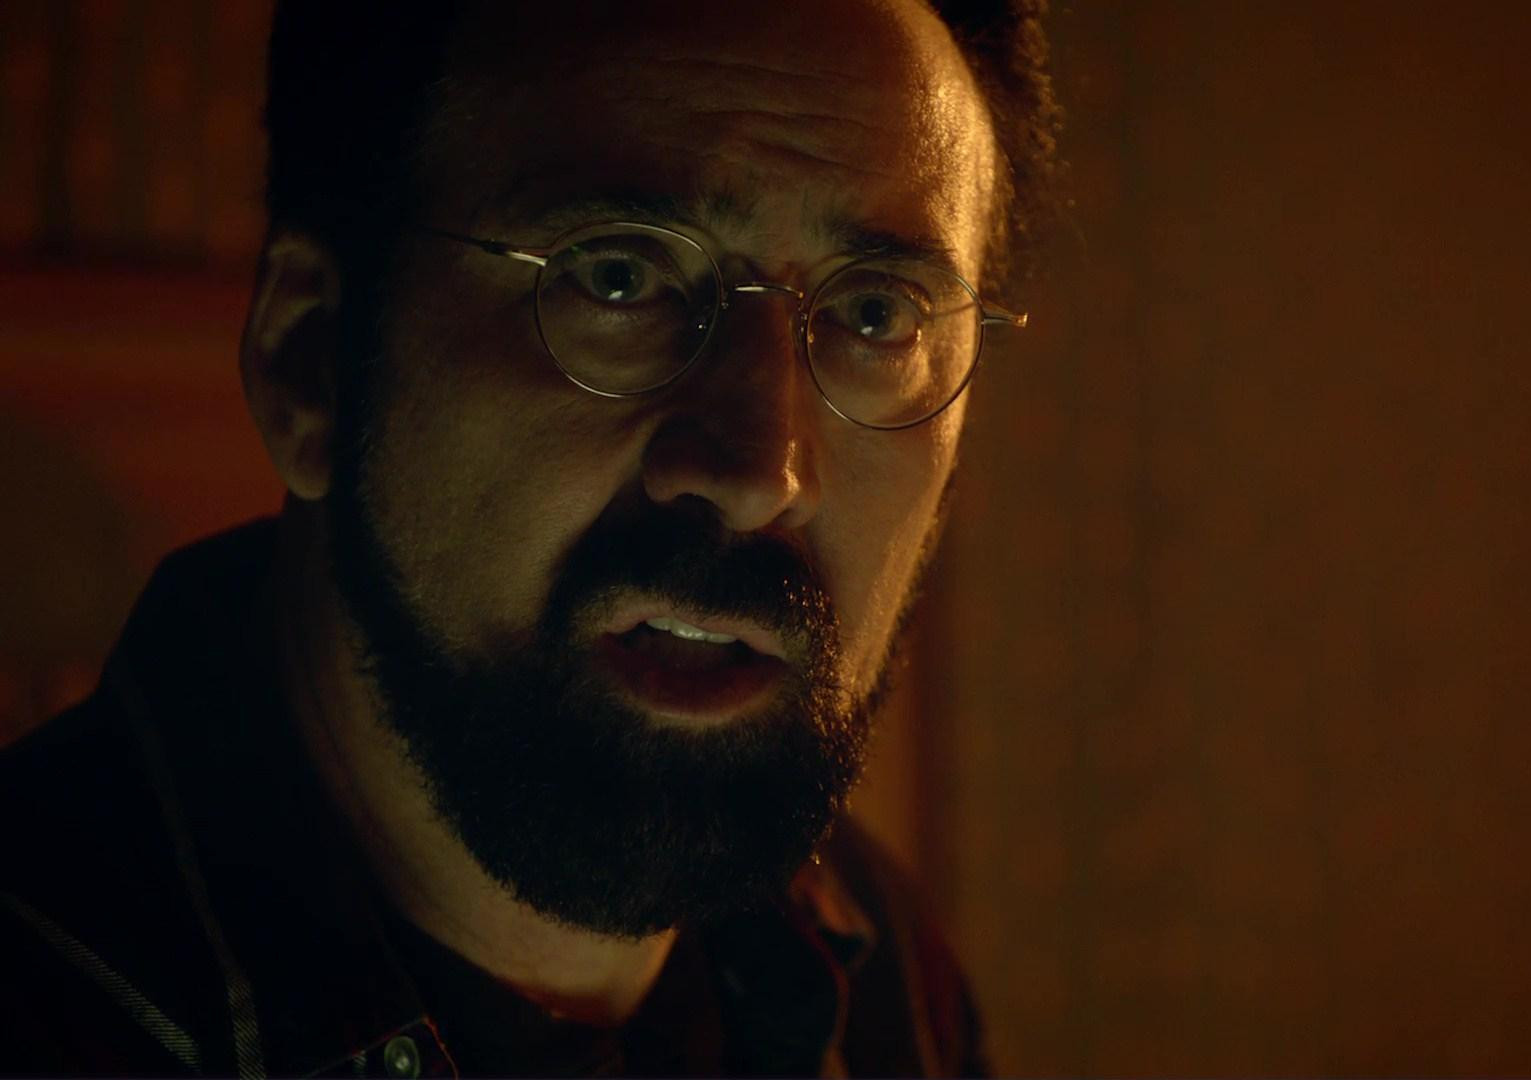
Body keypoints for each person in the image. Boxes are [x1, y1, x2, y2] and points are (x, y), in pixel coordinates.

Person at [0, 0, 1057, 1074]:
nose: (758, 475)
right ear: (311, 358)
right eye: (618, 276)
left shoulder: (880, 981)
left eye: (877, 314)